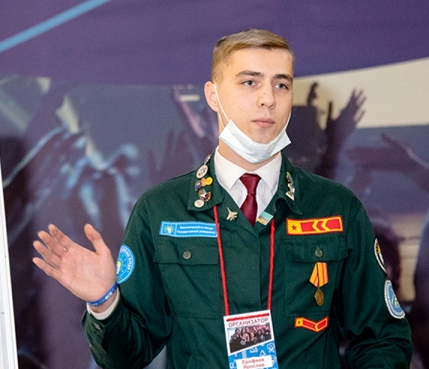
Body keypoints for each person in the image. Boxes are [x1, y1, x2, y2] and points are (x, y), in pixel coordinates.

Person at [32, 29, 413, 368]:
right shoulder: (161, 210)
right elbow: (126, 357)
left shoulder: (336, 207)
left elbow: (382, 338)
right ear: (213, 95)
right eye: (250, 82)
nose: (268, 99)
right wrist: (104, 302)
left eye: (281, 85)